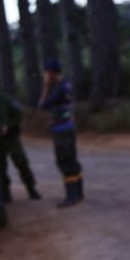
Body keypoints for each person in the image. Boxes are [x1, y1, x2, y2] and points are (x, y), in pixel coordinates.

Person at [0, 80, 40, 202]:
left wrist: (8, 125)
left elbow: (19, 114)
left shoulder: (6, 101)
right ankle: (5, 194)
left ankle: (31, 188)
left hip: (11, 138)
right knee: (0, 169)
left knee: (22, 163)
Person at [38, 59, 84, 208]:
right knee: (71, 159)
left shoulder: (59, 88)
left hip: (62, 130)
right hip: (65, 128)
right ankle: (78, 192)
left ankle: (72, 196)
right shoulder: (64, 85)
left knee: (65, 160)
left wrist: (45, 87)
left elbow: (43, 105)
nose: (45, 75)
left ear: (51, 73)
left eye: (46, 73)